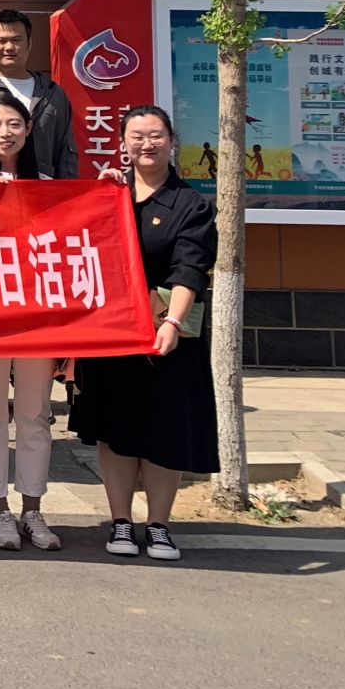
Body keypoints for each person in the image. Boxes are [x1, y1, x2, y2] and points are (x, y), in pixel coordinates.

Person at [74, 106, 218, 563]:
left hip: (167, 333)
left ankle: (158, 524)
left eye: (156, 135)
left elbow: (190, 269)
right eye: (136, 136)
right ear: (123, 144)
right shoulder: (109, 195)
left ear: (172, 140)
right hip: (111, 332)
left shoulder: (192, 204)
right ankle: (120, 520)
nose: (146, 144)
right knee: (115, 427)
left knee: (165, 428)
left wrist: (172, 322)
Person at [0, 91, 62, 551]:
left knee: (35, 413)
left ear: (28, 129)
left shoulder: (48, 186)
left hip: (36, 317)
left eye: (14, 124)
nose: (5, 133)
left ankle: (33, 509)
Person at [0, 10, 80, 179]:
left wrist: (68, 190)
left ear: (29, 43)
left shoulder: (53, 94)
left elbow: (66, 152)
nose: (9, 47)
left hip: (41, 189)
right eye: (1, 41)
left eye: (16, 40)